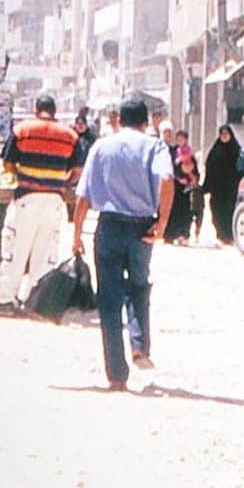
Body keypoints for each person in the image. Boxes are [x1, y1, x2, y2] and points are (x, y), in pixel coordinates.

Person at [72, 97, 175, 391]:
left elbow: (84, 197)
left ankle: (117, 375)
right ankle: (139, 344)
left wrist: (76, 234)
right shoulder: (154, 146)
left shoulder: (101, 146)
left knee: (109, 298)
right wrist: (163, 223)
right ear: (145, 122)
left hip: (109, 227)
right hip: (142, 227)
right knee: (139, 285)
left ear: (119, 120)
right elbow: (167, 180)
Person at [0, 96, 79, 315]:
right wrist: (62, 181)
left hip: (27, 199)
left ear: (36, 109)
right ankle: (36, 301)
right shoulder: (70, 136)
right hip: (54, 201)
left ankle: (5, 299)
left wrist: (23, 174)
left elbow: (8, 163)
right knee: (44, 253)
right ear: (54, 110)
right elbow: (77, 170)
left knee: (17, 250)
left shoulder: (22, 130)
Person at [202, 123, 242, 244]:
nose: (224, 136)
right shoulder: (215, 150)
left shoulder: (236, 150)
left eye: (226, 134)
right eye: (222, 134)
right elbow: (209, 167)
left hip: (231, 189)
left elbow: (241, 168)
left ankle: (230, 235)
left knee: (230, 211)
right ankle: (221, 234)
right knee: (217, 211)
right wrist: (206, 186)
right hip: (217, 190)